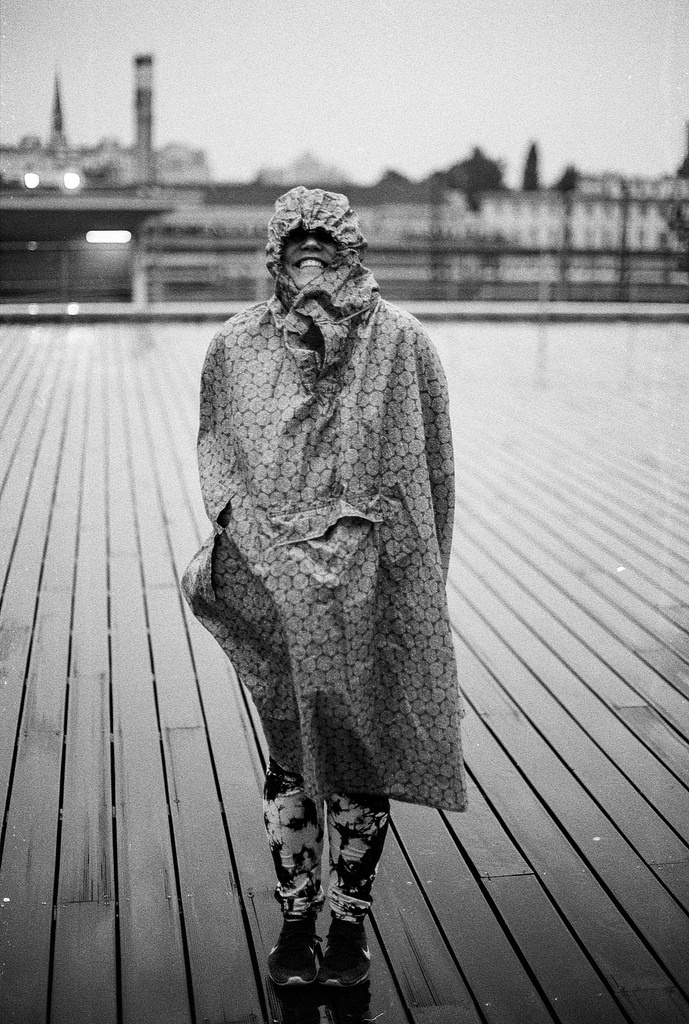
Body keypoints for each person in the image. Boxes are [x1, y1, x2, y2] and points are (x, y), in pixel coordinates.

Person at [182, 186, 466, 989]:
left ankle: (349, 921)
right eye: (295, 236)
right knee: (290, 754)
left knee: (360, 754)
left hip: (371, 580)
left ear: (351, 248)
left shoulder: (402, 344)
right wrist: (247, 529)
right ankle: (295, 913)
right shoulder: (235, 345)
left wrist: (417, 573)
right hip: (277, 582)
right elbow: (218, 450)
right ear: (275, 249)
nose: (310, 248)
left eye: (325, 237)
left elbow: (433, 466)